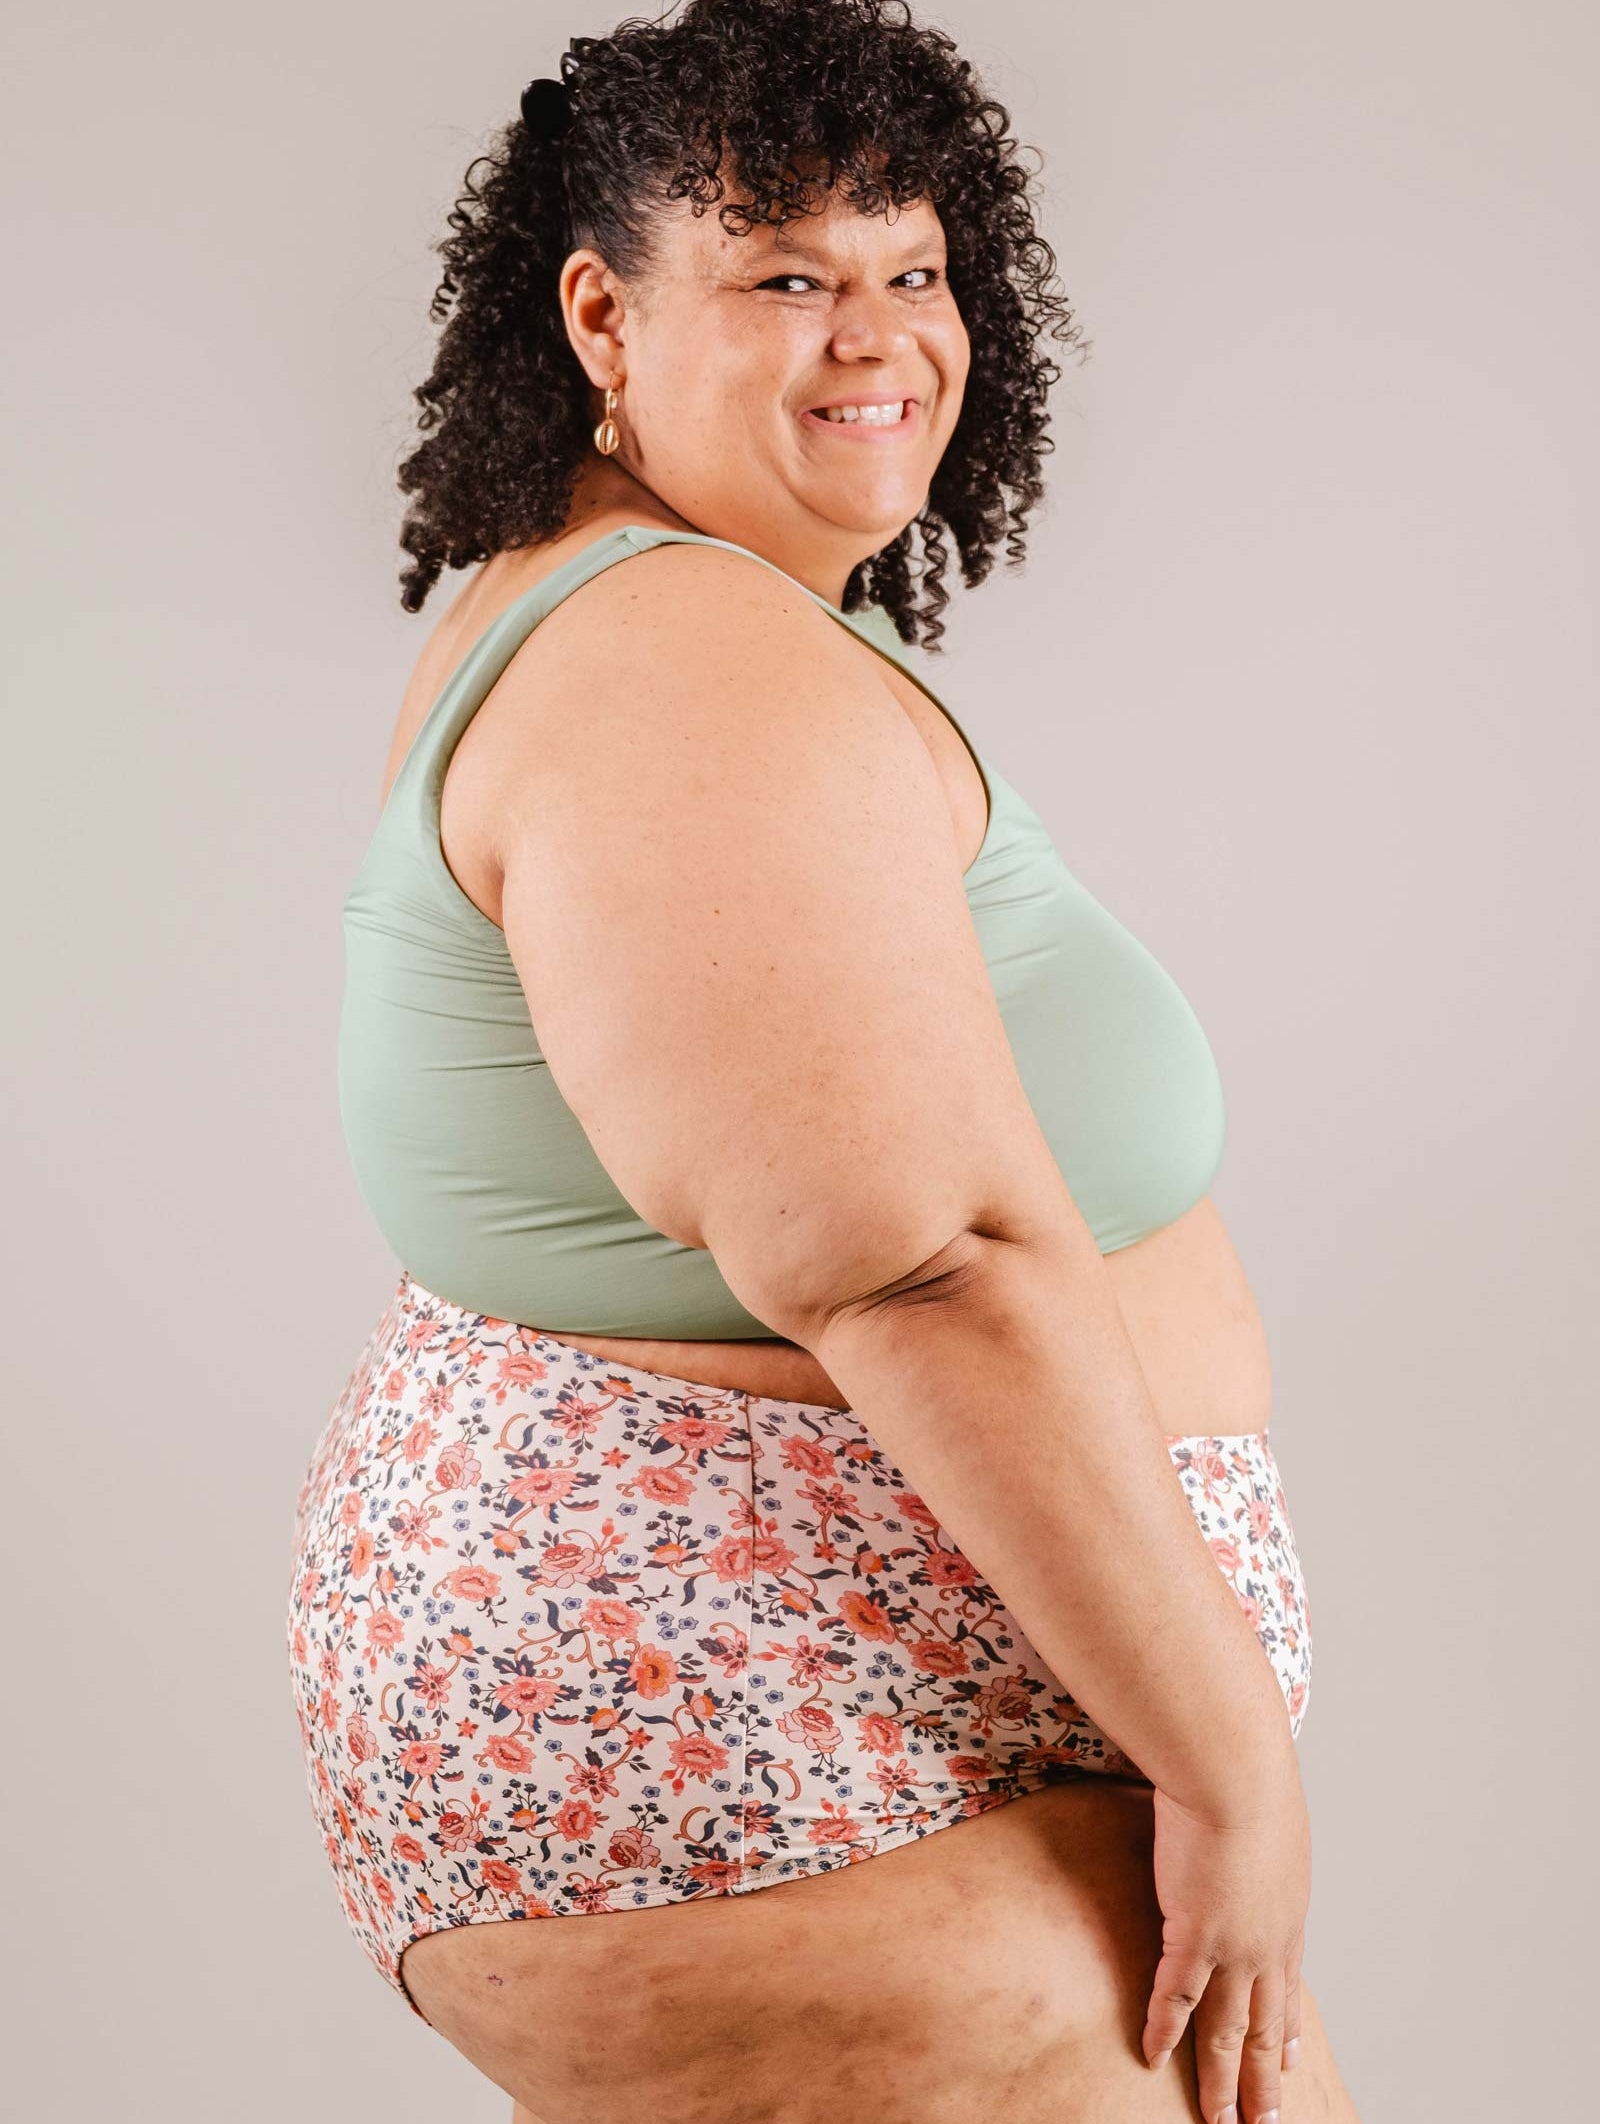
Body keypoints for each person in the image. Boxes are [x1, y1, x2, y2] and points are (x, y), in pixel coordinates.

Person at [285, 3, 1361, 2119]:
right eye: (784, 276)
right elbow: (913, 1262)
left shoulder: (692, 617)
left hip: (854, 1745)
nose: (875, 340)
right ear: (601, 311)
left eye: (911, 270)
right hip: (767, 1750)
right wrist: (1226, 1762)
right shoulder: (675, 658)